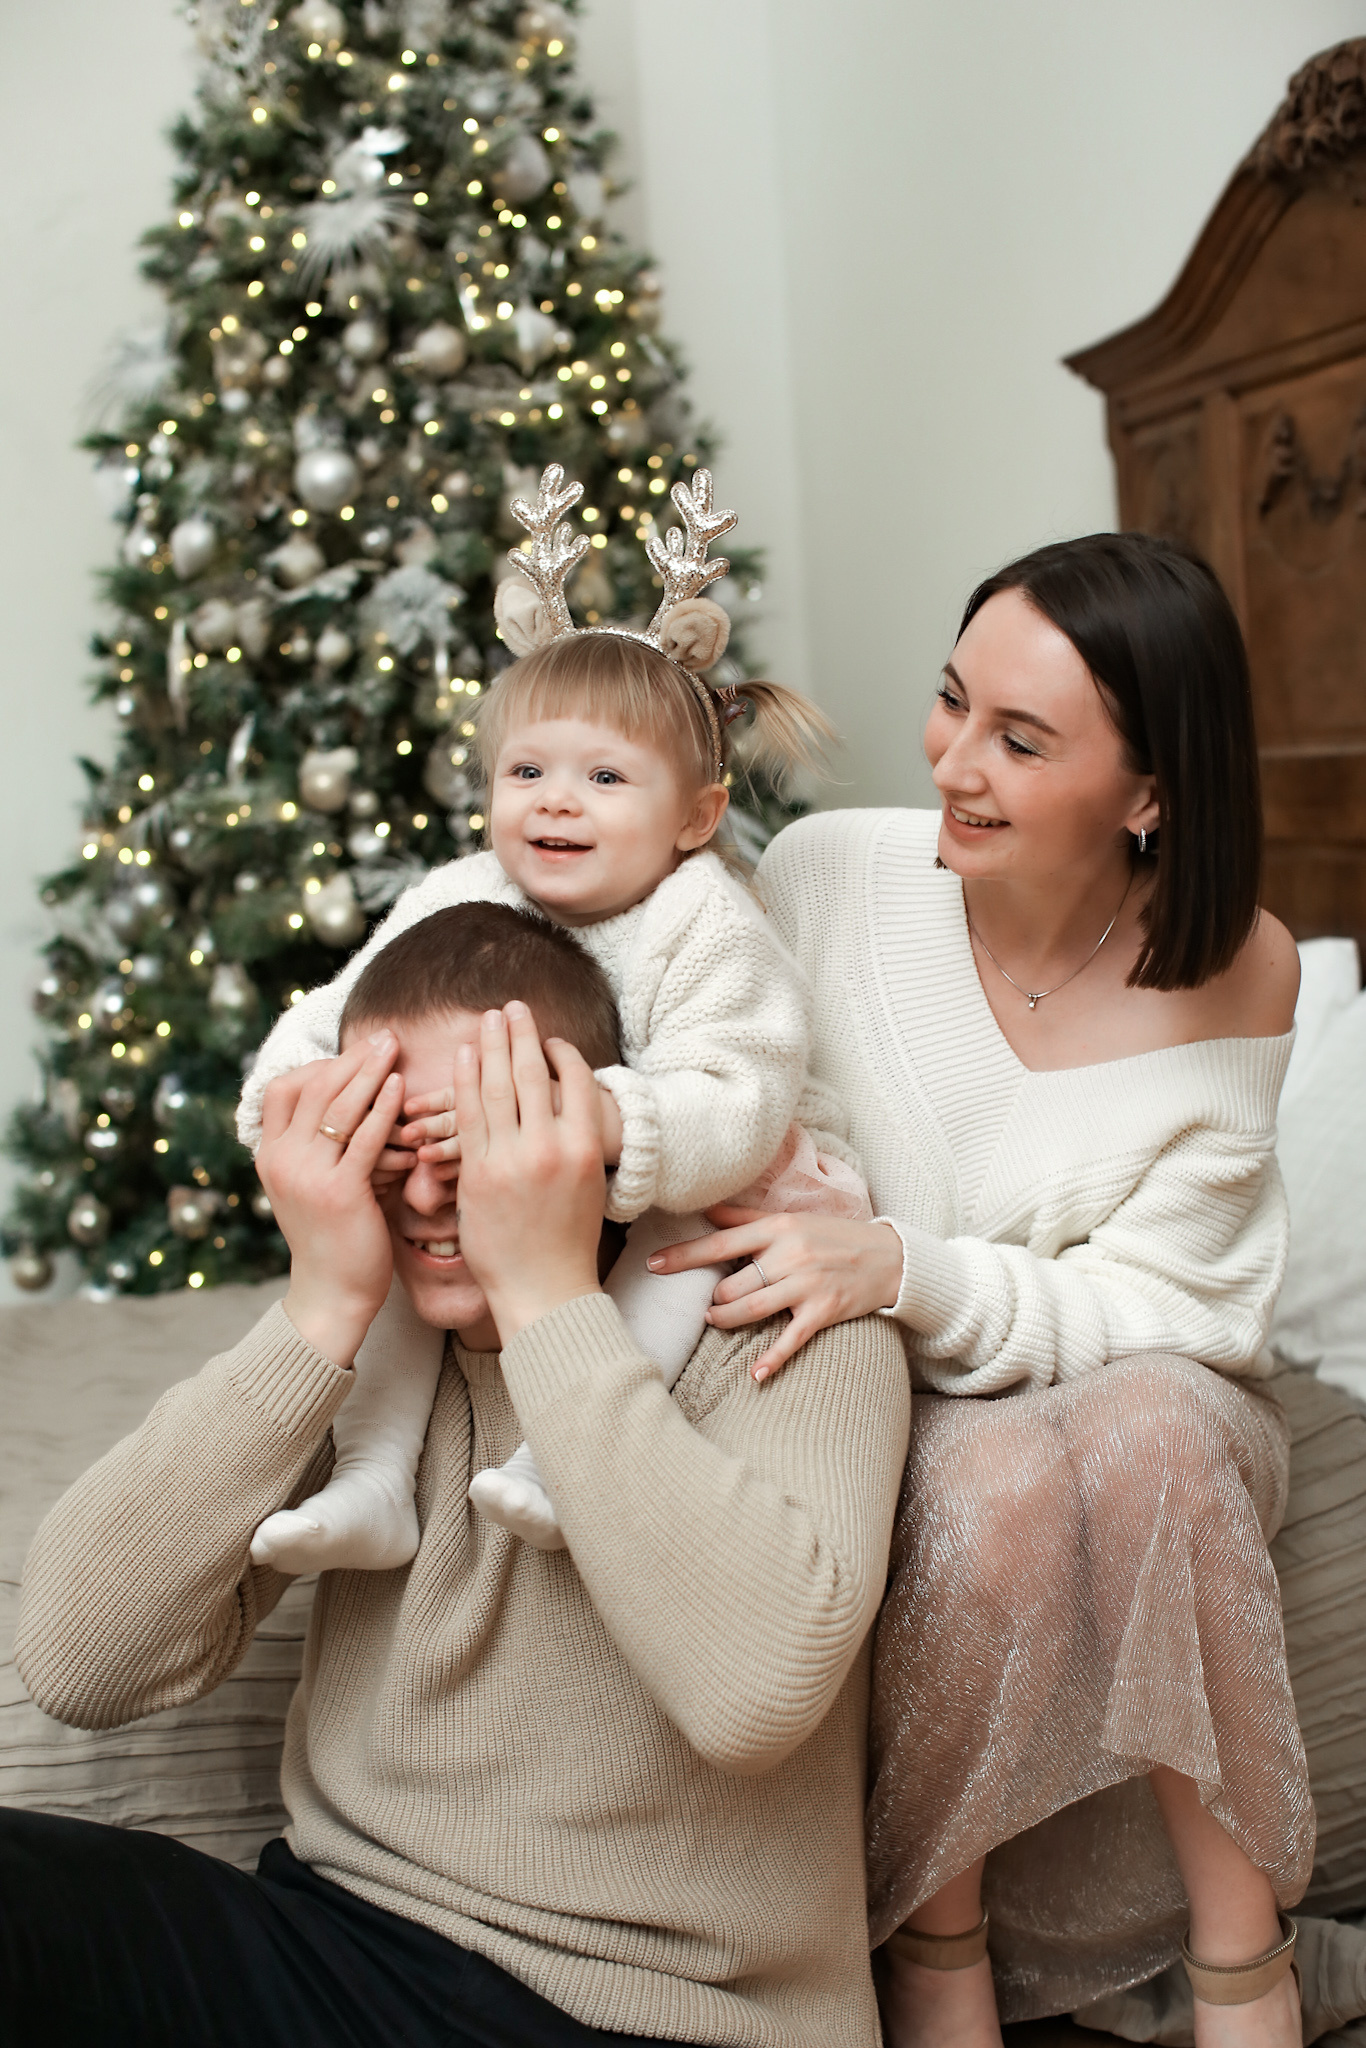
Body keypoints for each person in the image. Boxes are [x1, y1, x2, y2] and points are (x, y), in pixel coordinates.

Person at [8, 901, 910, 2048]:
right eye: (390, 1153)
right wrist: (320, 1304)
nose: (430, 1198)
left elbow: (754, 1695)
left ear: (588, 1130)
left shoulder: (786, 1314)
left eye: (475, 1146)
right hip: (338, 1942)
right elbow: (78, 1659)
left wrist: (542, 1292)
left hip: (657, 2015)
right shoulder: (371, 1336)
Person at [649, 532, 1310, 2048]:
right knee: (992, 1485)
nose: (951, 762)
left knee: (1155, 1429)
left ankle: (1243, 1955)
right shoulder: (824, 876)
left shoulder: (1242, 966)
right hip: (898, 1402)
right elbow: (727, 1104)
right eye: (952, 702)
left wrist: (909, 1266)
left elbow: (1175, 1306)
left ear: (1150, 794)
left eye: (1020, 739)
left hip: (1155, 1401)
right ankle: (937, 1953)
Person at [238, 461, 868, 1563]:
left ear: (696, 817)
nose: (555, 801)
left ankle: (557, 1458)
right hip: (514, 1161)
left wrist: (605, 1116)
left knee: (680, 1251)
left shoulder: (705, 921)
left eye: (605, 779)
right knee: (399, 1245)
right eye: (526, 770)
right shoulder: (459, 890)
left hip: (715, 1170)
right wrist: (293, 1101)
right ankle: (375, 1476)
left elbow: (741, 1094)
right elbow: (343, 1014)